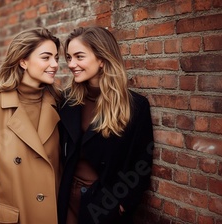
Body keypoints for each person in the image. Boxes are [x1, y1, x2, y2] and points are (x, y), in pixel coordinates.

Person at [57, 26, 154, 224]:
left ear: (101, 59)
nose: (71, 64)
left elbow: (141, 162)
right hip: (66, 196)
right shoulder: (67, 100)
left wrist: (122, 204)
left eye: (79, 56)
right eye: (69, 57)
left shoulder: (135, 106)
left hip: (103, 203)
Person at [0, 27, 62, 223]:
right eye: (46, 57)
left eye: (56, 58)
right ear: (23, 61)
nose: (55, 64)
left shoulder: (60, 103)